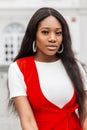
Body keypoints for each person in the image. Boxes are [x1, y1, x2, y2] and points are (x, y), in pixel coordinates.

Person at [8, 7, 87, 130]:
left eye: (58, 33)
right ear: (34, 35)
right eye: (45, 32)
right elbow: (28, 121)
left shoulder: (75, 66)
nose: (53, 38)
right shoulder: (19, 68)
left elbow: (85, 116)